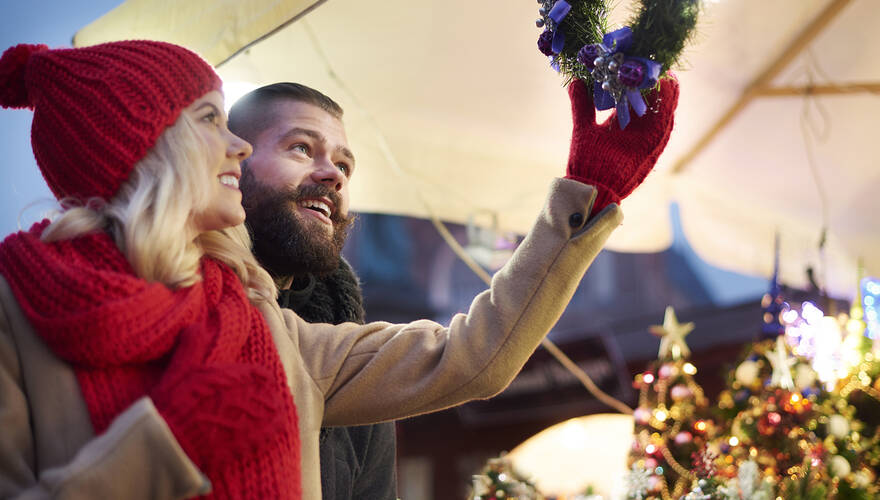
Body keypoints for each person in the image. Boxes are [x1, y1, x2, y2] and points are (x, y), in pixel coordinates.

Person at [0, 40, 676, 500]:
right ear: (149, 144)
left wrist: (589, 193)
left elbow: (471, 358)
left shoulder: (265, 325)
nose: (232, 143)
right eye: (210, 119)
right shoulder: (14, 314)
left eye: (345, 164)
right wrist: (169, 446)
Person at [228, 83, 396, 500]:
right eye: (302, 148)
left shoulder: (352, 357)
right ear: (231, 164)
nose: (334, 175)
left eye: (344, 165)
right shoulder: (169, 303)